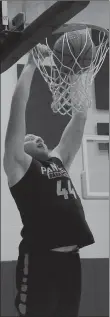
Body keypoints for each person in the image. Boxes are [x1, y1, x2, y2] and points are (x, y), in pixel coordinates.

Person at [3, 44, 95, 317]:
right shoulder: (18, 167)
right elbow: (17, 115)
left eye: (38, 136)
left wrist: (78, 74)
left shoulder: (58, 161)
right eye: (29, 138)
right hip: (40, 260)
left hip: (71, 261)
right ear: (20, 147)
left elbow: (79, 117)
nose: (37, 137)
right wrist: (31, 66)